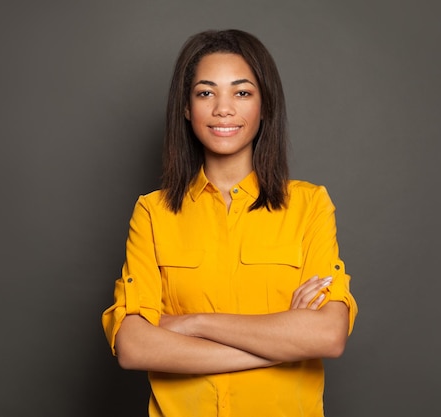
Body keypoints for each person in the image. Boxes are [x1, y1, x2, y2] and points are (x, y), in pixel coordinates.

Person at [102, 29, 357, 417]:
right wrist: (280, 345)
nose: (223, 108)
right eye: (206, 93)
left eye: (242, 92)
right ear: (186, 108)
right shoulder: (152, 213)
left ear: (264, 105)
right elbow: (134, 346)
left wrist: (191, 322)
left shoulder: (309, 205)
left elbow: (328, 335)